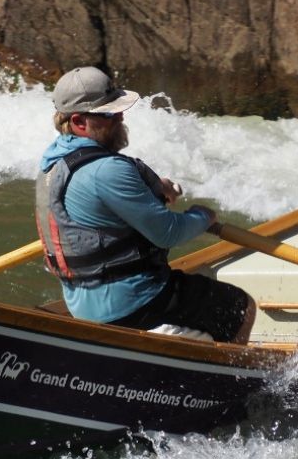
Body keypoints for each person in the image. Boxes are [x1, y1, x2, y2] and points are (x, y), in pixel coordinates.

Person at [35, 66, 256, 344]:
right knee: (239, 306)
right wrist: (202, 216)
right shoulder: (108, 171)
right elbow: (169, 233)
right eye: (110, 114)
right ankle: (229, 384)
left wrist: (153, 186)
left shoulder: (51, 166)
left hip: (82, 305)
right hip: (133, 304)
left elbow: (97, 201)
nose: (121, 117)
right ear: (80, 122)